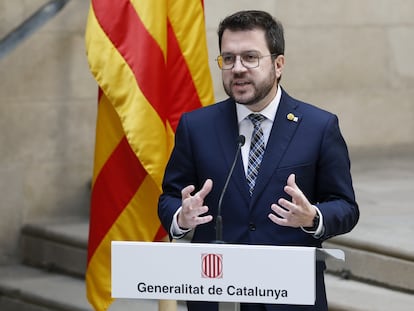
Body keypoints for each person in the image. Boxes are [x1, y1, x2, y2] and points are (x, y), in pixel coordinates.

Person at [158, 10, 359, 311]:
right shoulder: (196, 127)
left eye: (250, 57)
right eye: (228, 58)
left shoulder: (319, 127)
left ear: (278, 65)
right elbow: (170, 198)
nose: (237, 68)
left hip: (290, 296)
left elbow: (345, 206)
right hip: (217, 292)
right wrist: (180, 217)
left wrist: (313, 217)